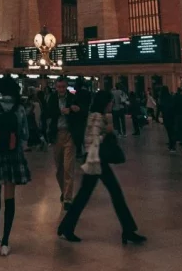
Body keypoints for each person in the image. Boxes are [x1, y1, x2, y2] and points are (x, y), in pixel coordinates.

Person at [57, 90, 145, 246]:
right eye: (110, 101)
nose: (112, 104)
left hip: (94, 159)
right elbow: (94, 139)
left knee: (86, 195)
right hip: (96, 160)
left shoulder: (94, 115)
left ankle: (66, 227)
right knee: (112, 193)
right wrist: (108, 133)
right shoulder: (98, 117)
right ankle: (128, 230)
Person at [0, 79, 31, 257]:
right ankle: (6, 243)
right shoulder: (20, 109)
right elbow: (25, 134)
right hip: (13, 156)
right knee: (10, 196)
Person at [43, 78, 81, 209]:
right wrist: (61, 112)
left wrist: (75, 110)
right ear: (56, 87)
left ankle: (68, 199)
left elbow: (81, 112)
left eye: (63, 87)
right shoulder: (52, 98)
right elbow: (47, 113)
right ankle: (64, 191)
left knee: (68, 167)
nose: (61, 89)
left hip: (70, 134)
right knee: (59, 168)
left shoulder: (73, 98)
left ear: (66, 86)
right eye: (59, 87)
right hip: (57, 135)